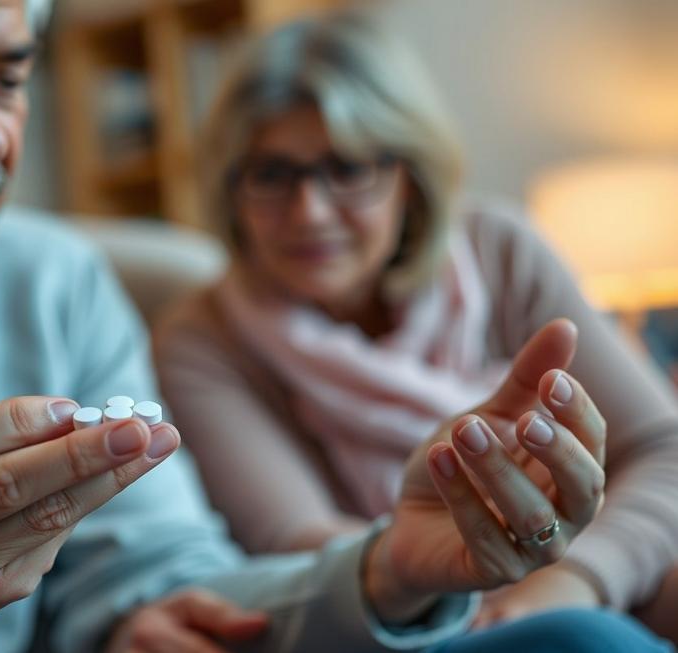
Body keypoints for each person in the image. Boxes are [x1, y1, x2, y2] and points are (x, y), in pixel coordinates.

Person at [0, 1, 661, 652]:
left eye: (13, 76)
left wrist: (388, 569)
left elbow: (159, 583)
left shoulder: (58, 282)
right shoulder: (203, 333)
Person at [153, 9, 678, 643]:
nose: (310, 212)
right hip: (414, 622)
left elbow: (660, 449)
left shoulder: (498, 250)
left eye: (348, 168)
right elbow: (300, 547)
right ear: (230, 188)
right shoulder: (202, 340)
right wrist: (487, 571)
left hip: (585, 575)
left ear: (411, 174)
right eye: (271, 175)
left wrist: (575, 580)